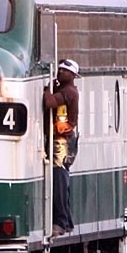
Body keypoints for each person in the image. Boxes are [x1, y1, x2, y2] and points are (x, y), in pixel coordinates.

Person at [44, 58, 80, 236]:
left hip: (62, 141)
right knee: (62, 182)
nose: (60, 72)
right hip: (62, 139)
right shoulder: (66, 90)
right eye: (59, 69)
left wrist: (46, 88)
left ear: (72, 75)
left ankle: (60, 222)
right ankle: (67, 222)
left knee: (59, 180)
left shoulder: (68, 92)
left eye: (64, 71)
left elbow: (50, 102)